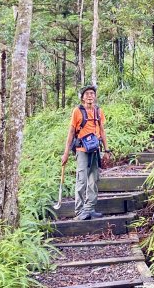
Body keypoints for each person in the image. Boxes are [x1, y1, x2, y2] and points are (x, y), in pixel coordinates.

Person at [61, 84, 110, 220]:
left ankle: (90, 208)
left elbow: (102, 131)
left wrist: (106, 149)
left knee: (94, 179)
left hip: (95, 150)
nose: (90, 96)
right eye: (87, 94)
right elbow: (71, 133)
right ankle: (79, 211)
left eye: (92, 94)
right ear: (82, 98)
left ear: (95, 96)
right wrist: (65, 153)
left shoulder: (98, 111)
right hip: (82, 149)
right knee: (81, 179)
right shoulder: (77, 111)